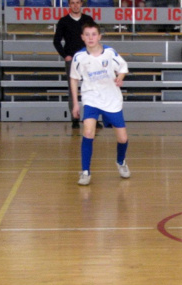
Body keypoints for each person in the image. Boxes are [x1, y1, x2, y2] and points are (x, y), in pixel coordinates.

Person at [70, 22, 131, 186]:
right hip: (91, 98)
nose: (90, 38)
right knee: (88, 132)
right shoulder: (79, 57)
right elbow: (74, 78)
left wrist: (120, 78)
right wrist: (76, 104)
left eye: (94, 34)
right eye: (87, 34)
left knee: (123, 139)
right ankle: (85, 172)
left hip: (111, 99)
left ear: (99, 36)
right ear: (82, 37)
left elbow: (123, 68)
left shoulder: (110, 53)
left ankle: (120, 161)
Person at [53, 0, 101, 130]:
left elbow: (95, 38)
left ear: (81, 4)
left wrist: (95, 55)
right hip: (72, 61)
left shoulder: (88, 20)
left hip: (89, 59)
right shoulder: (63, 21)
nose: (75, 5)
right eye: (72, 3)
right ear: (69, 4)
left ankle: (93, 118)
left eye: (78, 2)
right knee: (72, 90)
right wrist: (65, 55)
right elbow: (56, 41)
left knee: (93, 88)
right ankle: (75, 118)